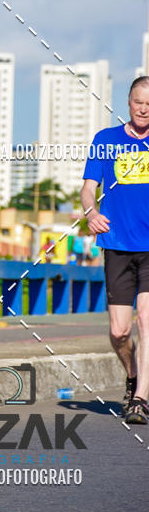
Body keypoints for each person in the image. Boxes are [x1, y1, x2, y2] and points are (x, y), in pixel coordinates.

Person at [81, 75, 149, 425]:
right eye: (139, 101)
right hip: (117, 245)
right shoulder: (106, 141)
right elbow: (88, 188)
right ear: (128, 101)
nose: (144, 108)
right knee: (120, 332)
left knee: (146, 320)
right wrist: (91, 212)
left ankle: (140, 399)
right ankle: (133, 374)